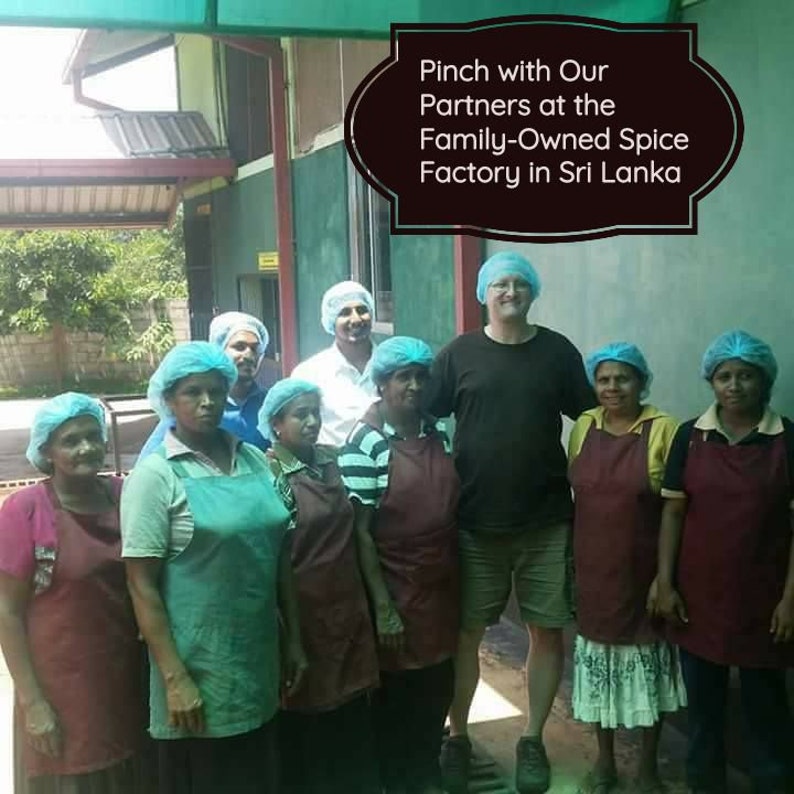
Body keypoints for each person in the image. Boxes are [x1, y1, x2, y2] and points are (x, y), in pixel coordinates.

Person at [427, 250, 596, 794]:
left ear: (532, 292)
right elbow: (421, 414)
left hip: (546, 520)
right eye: (498, 284)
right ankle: (459, 737)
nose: (509, 292)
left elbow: (592, 418)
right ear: (483, 293)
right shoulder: (458, 354)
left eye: (519, 283)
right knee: (467, 633)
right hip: (475, 520)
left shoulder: (557, 352)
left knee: (547, 631)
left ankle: (532, 738)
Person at [121, 341, 306, 794]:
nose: (207, 402)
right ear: (168, 400)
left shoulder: (254, 461)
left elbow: (279, 555)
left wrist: (295, 640)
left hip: (258, 656)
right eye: (192, 392)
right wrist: (174, 678)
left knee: (258, 772)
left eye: (216, 391)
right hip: (196, 667)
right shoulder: (155, 476)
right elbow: (141, 584)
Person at [651, 330, 794, 794]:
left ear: (764, 381)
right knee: (704, 713)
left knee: (766, 712)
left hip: (765, 601)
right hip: (698, 597)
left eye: (745, 376)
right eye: (724, 376)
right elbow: (673, 512)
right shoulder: (690, 437)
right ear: (711, 382)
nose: (734, 385)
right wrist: (665, 582)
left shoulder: (788, 440)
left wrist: (790, 600)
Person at [0, 392, 149, 793]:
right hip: (61, 689)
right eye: (70, 441)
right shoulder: (25, 511)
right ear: (46, 450)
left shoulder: (125, 496)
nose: (86, 448)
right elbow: (7, 613)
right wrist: (33, 703)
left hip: (124, 675)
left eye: (93, 436)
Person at [339, 336, 460, 794]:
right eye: (402, 377)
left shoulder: (439, 431)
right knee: (398, 693)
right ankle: (398, 780)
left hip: (441, 582)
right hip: (394, 583)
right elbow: (360, 533)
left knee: (438, 685)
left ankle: (427, 770)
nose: (413, 385)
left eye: (420, 376)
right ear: (382, 383)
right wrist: (384, 607)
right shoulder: (363, 440)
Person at [568, 343, 686, 794]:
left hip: (642, 576)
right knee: (599, 672)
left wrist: (665, 578)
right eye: (604, 379)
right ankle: (604, 764)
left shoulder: (664, 429)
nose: (612, 387)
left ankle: (649, 769)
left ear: (641, 382)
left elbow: (675, 511)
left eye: (623, 378)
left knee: (648, 672)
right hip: (594, 572)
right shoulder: (583, 426)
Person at [259, 378, 381, 793]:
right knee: (307, 719)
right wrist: (288, 632)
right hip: (303, 612)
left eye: (316, 413)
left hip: (347, 607)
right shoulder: (270, 472)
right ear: (276, 424)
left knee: (349, 715)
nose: (312, 422)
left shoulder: (333, 461)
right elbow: (275, 557)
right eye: (300, 414)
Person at [138, 311, 271, 459]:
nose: (249, 355)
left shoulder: (271, 404)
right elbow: (147, 464)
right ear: (219, 351)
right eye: (239, 346)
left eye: (255, 349)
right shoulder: (191, 410)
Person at [291, 280, 378, 445]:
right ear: (331, 320)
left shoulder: (391, 366)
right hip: (334, 467)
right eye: (345, 312)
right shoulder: (309, 373)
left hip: (390, 466)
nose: (356, 319)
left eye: (362, 310)